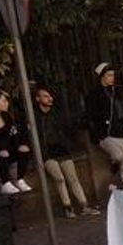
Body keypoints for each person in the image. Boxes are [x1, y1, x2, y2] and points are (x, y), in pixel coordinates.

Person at [32, 86, 94, 217]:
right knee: (59, 178)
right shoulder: (35, 117)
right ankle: (68, 207)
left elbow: (68, 129)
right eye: (45, 96)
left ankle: (84, 205)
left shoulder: (57, 114)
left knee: (73, 178)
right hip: (47, 152)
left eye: (50, 96)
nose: (49, 99)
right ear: (37, 99)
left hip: (62, 149)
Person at [85, 62, 123, 194]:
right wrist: (98, 133)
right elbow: (91, 115)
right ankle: (114, 162)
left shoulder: (118, 90)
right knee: (119, 156)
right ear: (102, 76)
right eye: (108, 75)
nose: (112, 78)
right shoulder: (95, 94)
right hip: (108, 133)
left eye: (113, 75)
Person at [0, 90, 33, 194]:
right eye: (3, 101)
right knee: (1, 152)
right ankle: (5, 183)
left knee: (24, 149)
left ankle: (20, 179)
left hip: (9, 150)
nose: (7, 103)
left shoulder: (8, 117)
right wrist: (2, 148)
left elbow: (14, 135)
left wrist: (21, 145)